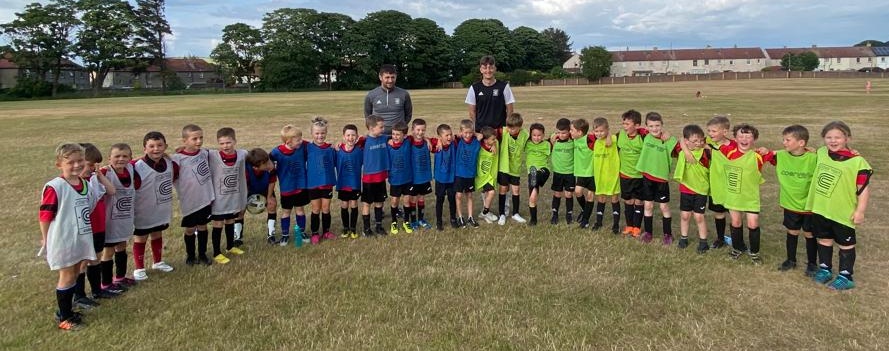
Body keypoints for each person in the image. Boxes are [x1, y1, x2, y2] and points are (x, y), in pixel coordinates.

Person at [39, 143, 101, 330]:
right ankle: (64, 318)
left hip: (80, 237)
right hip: (63, 239)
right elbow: (45, 216)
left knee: (75, 272)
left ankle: (67, 309)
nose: (76, 165)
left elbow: (88, 207)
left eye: (80, 161)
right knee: (66, 275)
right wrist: (46, 238)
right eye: (70, 162)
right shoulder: (55, 187)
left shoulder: (84, 184)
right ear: (59, 164)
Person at [808, 121, 872, 290]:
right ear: (823, 139)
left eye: (838, 137)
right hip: (821, 208)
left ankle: (846, 276)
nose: (833, 140)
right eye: (829, 137)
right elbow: (803, 152)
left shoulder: (858, 162)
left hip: (843, 211)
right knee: (824, 239)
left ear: (847, 138)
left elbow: (863, 190)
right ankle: (825, 269)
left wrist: (860, 211)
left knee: (846, 244)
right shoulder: (821, 152)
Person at [719, 124, 774, 265]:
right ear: (735, 139)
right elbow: (709, 143)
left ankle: (754, 252)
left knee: (753, 223)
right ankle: (738, 248)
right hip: (734, 195)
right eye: (741, 136)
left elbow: (780, 154)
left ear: (754, 139)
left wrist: (806, 149)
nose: (744, 138)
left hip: (750, 196)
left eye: (748, 136)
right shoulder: (727, 152)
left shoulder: (758, 155)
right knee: (736, 222)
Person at [77, 143, 121, 309]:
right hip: (85, 229)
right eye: (89, 165)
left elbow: (112, 191)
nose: (92, 168)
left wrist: (100, 176)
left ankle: (97, 290)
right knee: (82, 262)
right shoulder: (77, 184)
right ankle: (79, 295)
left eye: (95, 165)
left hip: (99, 226)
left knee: (95, 259)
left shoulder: (94, 180)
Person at [770, 125, 818, 274]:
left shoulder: (814, 158)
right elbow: (760, 155)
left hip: (809, 206)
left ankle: (812, 263)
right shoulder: (780, 156)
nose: (784, 143)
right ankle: (791, 260)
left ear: (801, 143)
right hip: (790, 204)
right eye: (783, 139)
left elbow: (834, 158)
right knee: (792, 231)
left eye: (788, 140)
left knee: (810, 234)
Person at [132, 131, 177, 281]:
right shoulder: (137, 167)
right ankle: (139, 268)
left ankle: (158, 262)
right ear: (144, 148)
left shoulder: (169, 163)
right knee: (141, 238)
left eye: (159, 145)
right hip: (143, 210)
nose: (156, 149)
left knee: (157, 233)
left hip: (161, 208)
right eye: (151, 146)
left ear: (165, 147)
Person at [171, 124, 215, 266]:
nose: (198, 141)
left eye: (201, 138)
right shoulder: (177, 159)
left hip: (205, 198)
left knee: (203, 226)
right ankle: (190, 256)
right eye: (194, 138)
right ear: (184, 141)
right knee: (190, 229)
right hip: (189, 201)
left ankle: (202, 254)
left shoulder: (205, 153)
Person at [635, 112, 679, 245]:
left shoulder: (669, 140)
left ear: (662, 125)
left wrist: (669, 134)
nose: (654, 129)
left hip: (661, 180)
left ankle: (667, 234)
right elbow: (632, 128)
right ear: (646, 126)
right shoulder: (644, 135)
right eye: (651, 126)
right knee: (648, 205)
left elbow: (680, 147)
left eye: (657, 126)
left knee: (664, 207)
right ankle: (648, 233)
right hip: (647, 177)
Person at [99, 143, 137, 292]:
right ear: (109, 158)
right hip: (110, 220)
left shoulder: (131, 169)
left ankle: (120, 277)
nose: (121, 159)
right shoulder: (104, 173)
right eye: (117, 156)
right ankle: (106, 283)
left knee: (122, 246)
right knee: (108, 252)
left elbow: (143, 160)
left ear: (130, 158)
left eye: (125, 156)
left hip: (124, 218)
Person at [208, 127, 248, 264]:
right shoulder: (212, 156)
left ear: (235, 141)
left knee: (231, 220)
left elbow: (256, 157)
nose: (225, 146)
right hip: (219, 199)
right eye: (222, 143)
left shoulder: (242, 154)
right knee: (218, 224)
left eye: (228, 142)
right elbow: (194, 154)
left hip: (233, 197)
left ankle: (230, 246)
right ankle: (216, 252)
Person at [673, 125, 711, 253]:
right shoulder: (681, 151)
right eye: (695, 141)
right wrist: (686, 149)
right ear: (687, 141)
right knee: (685, 215)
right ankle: (684, 238)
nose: (698, 143)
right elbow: (678, 141)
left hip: (700, 189)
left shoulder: (706, 152)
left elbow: (715, 148)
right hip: (686, 189)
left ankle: (703, 242)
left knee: (699, 217)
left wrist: (702, 145)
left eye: (700, 140)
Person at [270, 125, 309, 246]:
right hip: (287, 188)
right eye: (298, 140)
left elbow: (316, 146)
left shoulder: (302, 147)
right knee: (286, 212)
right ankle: (285, 235)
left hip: (301, 186)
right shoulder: (276, 152)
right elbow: (267, 164)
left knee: (300, 210)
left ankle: (301, 232)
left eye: (301, 138)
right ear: (288, 142)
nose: (301, 141)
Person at [616, 110, 648, 237]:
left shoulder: (644, 137)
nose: (624, 126)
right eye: (623, 123)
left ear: (637, 125)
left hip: (640, 176)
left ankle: (637, 227)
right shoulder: (619, 135)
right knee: (628, 201)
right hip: (625, 174)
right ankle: (629, 226)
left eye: (627, 124)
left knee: (639, 202)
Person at [306, 117, 337, 244]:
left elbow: (336, 162)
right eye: (317, 133)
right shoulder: (307, 147)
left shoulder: (331, 149)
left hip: (327, 183)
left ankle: (326, 231)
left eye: (322, 133)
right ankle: (314, 233)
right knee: (315, 209)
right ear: (312, 133)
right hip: (313, 184)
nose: (320, 136)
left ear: (326, 133)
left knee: (326, 208)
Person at [494, 113, 528, 225]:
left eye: (512, 128)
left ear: (519, 127)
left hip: (515, 167)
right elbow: (489, 135)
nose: (509, 129)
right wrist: (493, 144)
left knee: (516, 190)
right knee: (503, 189)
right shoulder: (502, 131)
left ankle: (515, 213)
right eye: (508, 127)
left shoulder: (525, 135)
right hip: (504, 167)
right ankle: (502, 214)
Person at [465, 56, 515, 132]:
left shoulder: (504, 86)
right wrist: (478, 126)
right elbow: (472, 111)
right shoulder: (474, 88)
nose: (488, 71)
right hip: (482, 131)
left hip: (500, 130)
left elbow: (510, 109)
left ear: (495, 69)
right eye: (485, 68)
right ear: (481, 70)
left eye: (491, 67)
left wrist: (506, 126)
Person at [705, 116, 734, 248]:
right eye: (709, 131)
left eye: (714, 131)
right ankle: (720, 239)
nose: (711, 134)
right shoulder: (709, 143)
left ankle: (737, 240)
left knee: (734, 215)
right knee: (719, 213)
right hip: (716, 187)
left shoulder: (735, 145)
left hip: (731, 187)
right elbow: (686, 138)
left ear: (725, 132)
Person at [590, 118, 621, 234]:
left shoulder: (613, 139)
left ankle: (616, 224)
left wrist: (610, 135)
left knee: (614, 198)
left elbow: (623, 133)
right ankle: (599, 222)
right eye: (596, 131)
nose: (599, 134)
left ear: (607, 130)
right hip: (600, 176)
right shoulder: (595, 141)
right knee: (601, 198)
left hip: (612, 175)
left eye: (602, 131)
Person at [361, 115, 390, 237]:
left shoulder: (384, 138)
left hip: (381, 177)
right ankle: (366, 229)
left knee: (379, 202)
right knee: (367, 203)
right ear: (371, 128)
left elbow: (402, 137)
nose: (383, 129)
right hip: (369, 178)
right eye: (381, 127)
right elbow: (347, 143)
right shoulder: (363, 141)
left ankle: (379, 226)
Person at [242, 148, 278, 245]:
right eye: (265, 164)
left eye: (267, 161)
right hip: (249, 188)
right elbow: (244, 185)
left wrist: (269, 196)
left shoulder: (270, 165)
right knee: (239, 210)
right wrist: (244, 200)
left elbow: (272, 181)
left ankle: (271, 235)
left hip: (265, 188)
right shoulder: (246, 169)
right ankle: (237, 238)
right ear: (256, 167)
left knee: (272, 204)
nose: (268, 164)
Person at [364, 64, 412, 134]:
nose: (390, 80)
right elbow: (368, 116)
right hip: (379, 136)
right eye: (387, 77)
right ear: (380, 77)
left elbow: (408, 115)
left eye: (393, 77)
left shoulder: (404, 94)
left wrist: (399, 128)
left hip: (398, 136)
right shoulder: (371, 95)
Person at [336, 124, 363, 239]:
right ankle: (345, 228)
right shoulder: (338, 151)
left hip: (354, 184)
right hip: (343, 183)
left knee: (353, 204)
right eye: (348, 135)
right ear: (343, 136)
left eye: (353, 135)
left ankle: (353, 229)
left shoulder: (359, 151)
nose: (350, 138)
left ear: (357, 137)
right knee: (344, 204)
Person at [387, 121, 414, 235]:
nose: (395, 137)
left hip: (407, 178)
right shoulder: (388, 145)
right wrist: (388, 139)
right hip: (395, 179)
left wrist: (428, 140)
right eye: (393, 134)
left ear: (405, 136)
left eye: (398, 134)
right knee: (394, 201)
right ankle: (394, 222)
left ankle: (406, 221)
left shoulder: (408, 142)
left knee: (407, 200)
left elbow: (419, 137)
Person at [570, 118, 597, 229]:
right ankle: (585, 210)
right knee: (578, 192)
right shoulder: (574, 139)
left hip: (592, 173)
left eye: (572, 130)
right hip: (580, 172)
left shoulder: (589, 139)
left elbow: (601, 136)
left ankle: (585, 220)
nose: (570, 132)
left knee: (590, 196)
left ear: (580, 132)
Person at [407, 119, 434, 230]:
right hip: (413, 177)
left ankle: (421, 219)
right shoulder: (409, 141)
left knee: (421, 198)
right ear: (412, 130)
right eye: (418, 130)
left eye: (423, 130)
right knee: (413, 199)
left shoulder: (427, 142)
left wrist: (427, 139)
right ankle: (413, 221)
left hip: (424, 176)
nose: (420, 132)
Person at [454, 119, 481, 228]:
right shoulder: (458, 141)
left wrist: (474, 133)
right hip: (460, 174)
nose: (468, 135)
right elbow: (451, 137)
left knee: (469, 195)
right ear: (461, 132)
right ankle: (460, 217)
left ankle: (470, 217)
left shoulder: (476, 141)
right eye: (465, 133)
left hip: (470, 174)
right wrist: (460, 135)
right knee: (459, 195)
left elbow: (482, 136)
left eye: (470, 133)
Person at [524, 123, 551, 226]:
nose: (536, 137)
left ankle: (535, 182)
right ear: (530, 135)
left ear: (543, 135)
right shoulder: (527, 144)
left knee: (536, 175)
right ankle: (533, 220)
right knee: (532, 197)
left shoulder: (547, 144)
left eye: (539, 135)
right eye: (534, 135)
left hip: (544, 170)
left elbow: (555, 136)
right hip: (531, 173)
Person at [549, 118, 575, 225]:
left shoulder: (573, 141)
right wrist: (551, 142)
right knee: (557, 194)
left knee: (569, 194)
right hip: (558, 172)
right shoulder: (554, 139)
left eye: (564, 133)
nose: (561, 135)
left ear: (569, 131)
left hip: (570, 172)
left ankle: (569, 214)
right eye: (559, 132)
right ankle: (555, 214)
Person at [432, 123, 458, 231]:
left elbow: (465, 135)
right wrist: (437, 141)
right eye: (446, 135)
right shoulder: (436, 145)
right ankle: (439, 221)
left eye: (450, 134)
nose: (449, 137)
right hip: (440, 179)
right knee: (440, 200)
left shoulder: (454, 143)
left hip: (452, 178)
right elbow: (423, 139)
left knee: (452, 199)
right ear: (440, 137)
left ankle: (453, 219)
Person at [476, 126, 499, 225]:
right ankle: (485, 212)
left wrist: (494, 144)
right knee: (491, 192)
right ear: (485, 140)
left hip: (490, 175)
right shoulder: (478, 146)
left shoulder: (494, 143)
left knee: (487, 194)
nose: (495, 141)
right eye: (492, 139)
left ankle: (485, 212)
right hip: (483, 175)